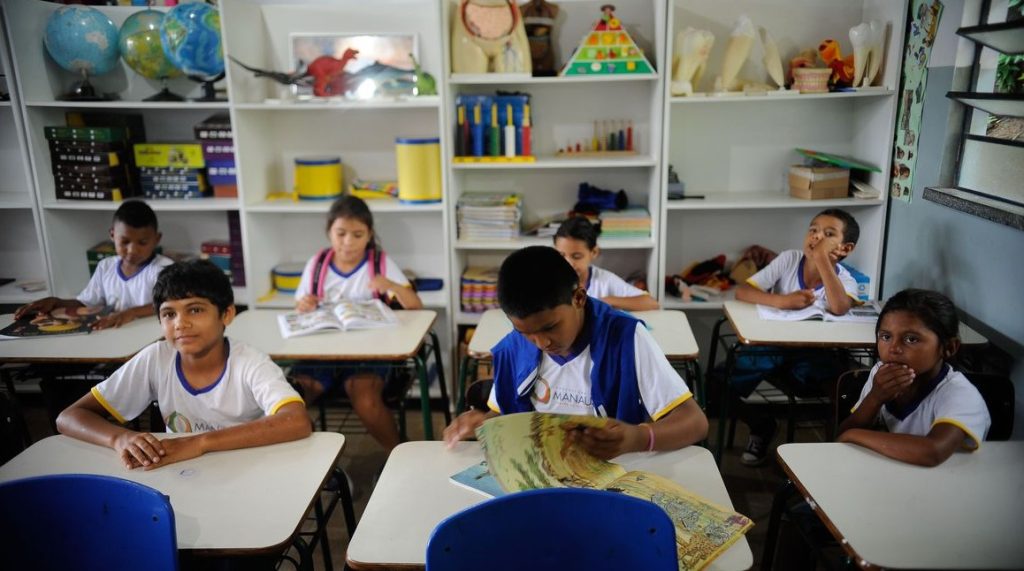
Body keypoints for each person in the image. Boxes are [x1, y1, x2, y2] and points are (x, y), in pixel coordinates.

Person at [444, 246, 708, 459]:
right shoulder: (515, 346)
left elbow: (695, 422)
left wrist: (638, 438)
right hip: (541, 472)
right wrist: (483, 422)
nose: (541, 343)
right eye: (525, 332)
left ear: (579, 298)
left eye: (550, 327)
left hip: (610, 473)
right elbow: (503, 413)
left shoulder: (626, 339)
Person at [56, 260, 311, 470]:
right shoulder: (156, 357)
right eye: (169, 314)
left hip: (250, 468)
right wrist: (120, 438)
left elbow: (296, 420)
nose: (180, 323)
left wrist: (199, 443)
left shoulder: (250, 362)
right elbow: (69, 417)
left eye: (195, 310)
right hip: (183, 472)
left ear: (227, 315)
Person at [730, 208, 862, 465]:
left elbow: (839, 307)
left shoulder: (845, 280)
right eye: (813, 230)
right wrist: (781, 301)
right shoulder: (790, 260)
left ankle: (835, 452)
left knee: (843, 388)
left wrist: (823, 259)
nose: (816, 237)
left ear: (845, 248)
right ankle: (761, 426)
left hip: (814, 355)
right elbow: (743, 292)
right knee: (717, 384)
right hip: (771, 347)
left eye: (828, 234)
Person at [291, 195, 422, 451]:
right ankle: (314, 463)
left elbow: (414, 305)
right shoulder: (318, 264)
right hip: (321, 353)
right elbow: (300, 307)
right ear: (329, 232)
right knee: (293, 396)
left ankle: (397, 454)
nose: (348, 243)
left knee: (364, 397)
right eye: (340, 233)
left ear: (369, 235)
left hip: (370, 354)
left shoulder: (379, 263)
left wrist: (392, 285)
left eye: (357, 235)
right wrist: (303, 305)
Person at [837, 289, 990, 466]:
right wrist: (875, 397)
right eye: (886, 337)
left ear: (949, 347)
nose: (894, 348)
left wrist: (853, 435)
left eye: (911, 339)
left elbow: (933, 451)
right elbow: (843, 432)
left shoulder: (959, 393)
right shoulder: (881, 374)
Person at [15, 199, 172, 330]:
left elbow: (171, 305)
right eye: (124, 241)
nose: (132, 250)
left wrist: (130, 313)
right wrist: (56, 302)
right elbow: (87, 303)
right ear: (112, 235)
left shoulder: (164, 268)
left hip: (147, 337)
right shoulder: (105, 267)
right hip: (113, 335)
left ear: (156, 239)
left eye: (142, 242)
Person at [553, 217, 659, 311]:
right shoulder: (549, 280)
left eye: (577, 257)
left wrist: (608, 301)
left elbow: (651, 303)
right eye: (561, 255)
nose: (568, 263)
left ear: (594, 252)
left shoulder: (604, 281)